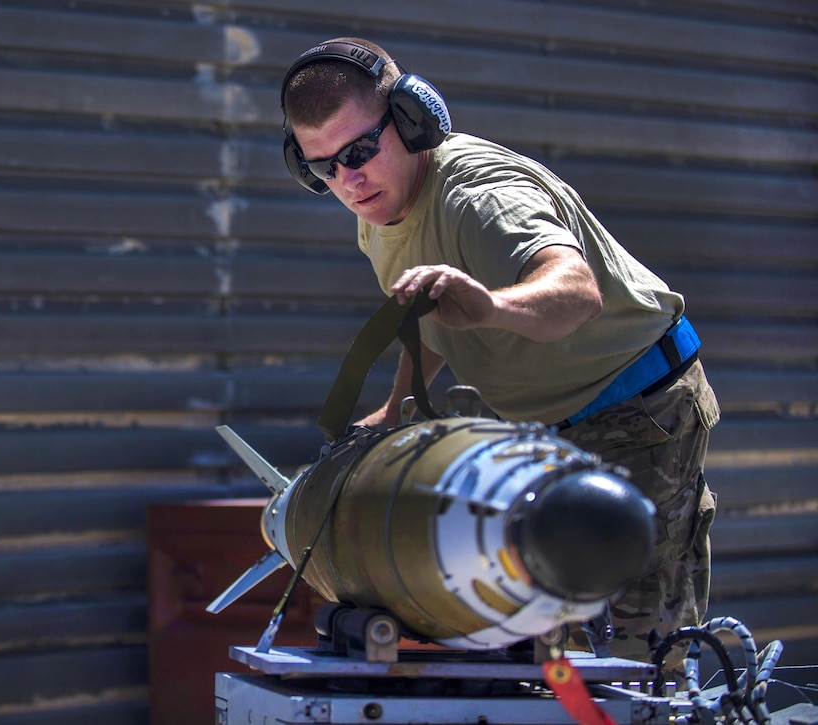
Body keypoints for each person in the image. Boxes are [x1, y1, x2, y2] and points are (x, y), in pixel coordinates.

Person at [280, 37, 719, 671]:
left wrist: (490, 307)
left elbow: (576, 292)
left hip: (640, 411)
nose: (348, 179)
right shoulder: (378, 208)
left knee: (640, 659)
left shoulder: (480, 199)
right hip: (544, 431)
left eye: (360, 151)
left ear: (412, 120)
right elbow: (431, 321)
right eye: (324, 166)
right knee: (548, 650)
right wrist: (395, 407)